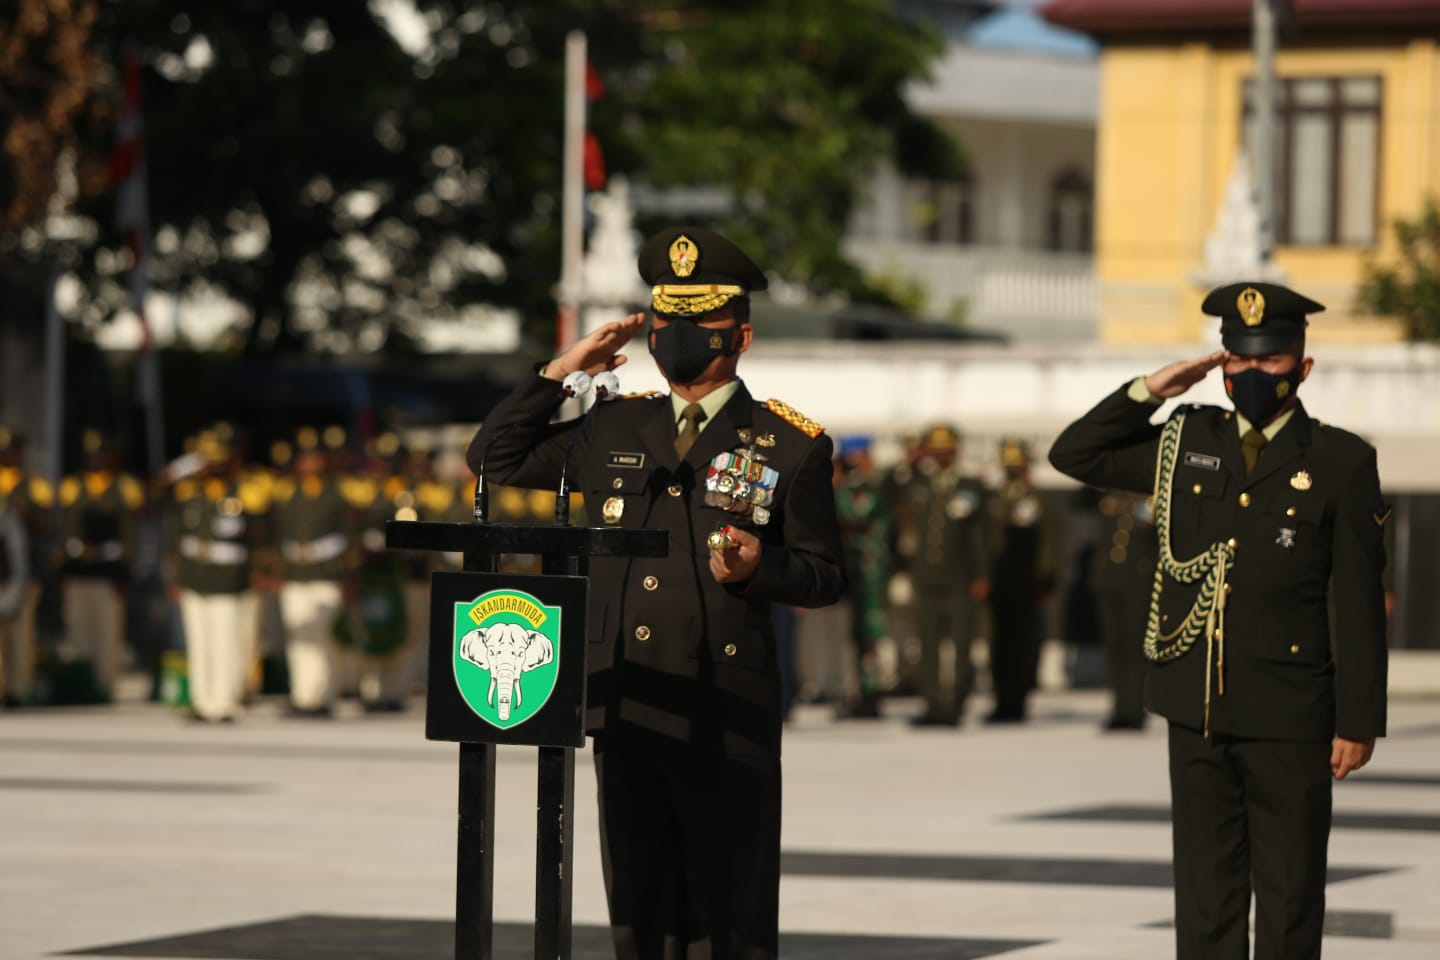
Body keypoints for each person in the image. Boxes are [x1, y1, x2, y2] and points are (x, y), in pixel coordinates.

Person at [467, 225, 845, 959]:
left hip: (725, 706)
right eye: (664, 322)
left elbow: (825, 574)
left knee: (727, 917)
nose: (675, 337)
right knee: (639, 912)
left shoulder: (788, 444)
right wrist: (561, 372)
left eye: (696, 324)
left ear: (740, 337)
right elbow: (493, 459)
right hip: (627, 698)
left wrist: (760, 567)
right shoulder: (612, 425)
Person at [1048, 281, 1388, 960]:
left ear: (1302, 367)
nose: (1254, 373)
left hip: (1290, 710)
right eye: (1240, 359)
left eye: (1271, 360)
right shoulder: (1187, 439)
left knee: (1289, 896)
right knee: (1206, 897)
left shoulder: (1340, 461)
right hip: (1196, 702)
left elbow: (1355, 599)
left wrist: (1358, 720)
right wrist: (1151, 390)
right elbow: (1074, 453)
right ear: (1222, 362)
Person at [168, 429, 268, 723]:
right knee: (200, 641)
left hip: (228, 578)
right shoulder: (189, 491)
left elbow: (261, 536)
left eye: (217, 459)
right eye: (206, 460)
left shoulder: (247, 490)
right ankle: (203, 700)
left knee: (227, 641)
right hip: (195, 575)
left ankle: (225, 701)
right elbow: (175, 534)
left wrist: (261, 570)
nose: (212, 465)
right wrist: (175, 576)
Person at [893, 423, 989, 726]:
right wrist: (910, 462)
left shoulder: (970, 487)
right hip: (926, 577)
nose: (942, 456)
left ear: (957, 452)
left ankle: (955, 705)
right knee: (928, 644)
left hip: (960, 578)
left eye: (947, 450)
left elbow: (980, 536)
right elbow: (889, 496)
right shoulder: (918, 484)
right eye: (936, 451)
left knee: (961, 644)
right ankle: (934, 705)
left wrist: (982, 575)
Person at [59, 429, 143, 702]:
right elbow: (64, 531)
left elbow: (130, 534)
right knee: (79, 631)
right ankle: (82, 686)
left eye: (102, 455)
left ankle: (105, 687)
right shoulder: (72, 486)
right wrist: (62, 566)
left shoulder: (125, 487)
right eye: (92, 456)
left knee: (108, 633)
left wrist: (126, 571)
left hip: (110, 573)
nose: (96, 460)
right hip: (78, 571)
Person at [986, 438, 1057, 724]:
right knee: (999, 643)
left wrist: (1047, 577)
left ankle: (1018, 698)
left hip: (1027, 581)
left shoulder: (1035, 498)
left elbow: (1049, 540)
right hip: (999, 580)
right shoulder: (994, 497)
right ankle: (1002, 698)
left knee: (1024, 642)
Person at [1091, 490, 1157, 731]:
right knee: (1114, 647)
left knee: (1135, 647)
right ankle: (1119, 705)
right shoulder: (1110, 495)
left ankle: (1133, 709)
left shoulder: (1149, 499)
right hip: (1110, 579)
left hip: (1139, 581)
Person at [0, 426, 53, 708]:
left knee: (20, 633)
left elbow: (49, 528)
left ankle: (18, 690)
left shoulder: (36, 486)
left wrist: (27, 516)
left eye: (11, 451)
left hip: (25, 571)